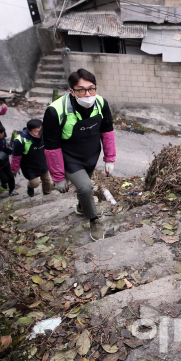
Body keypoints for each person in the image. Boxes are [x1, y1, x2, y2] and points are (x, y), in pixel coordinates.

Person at [43, 69, 116, 242]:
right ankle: (94, 220)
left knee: (84, 190)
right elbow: (51, 147)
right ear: (72, 91)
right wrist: (58, 176)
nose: (88, 94)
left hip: (91, 155)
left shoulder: (101, 103)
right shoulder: (55, 111)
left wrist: (109, 158)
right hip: (69, 157)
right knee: (85, 187)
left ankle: (81, 207)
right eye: (81, 90)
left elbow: (107, 131)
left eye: (91, 88)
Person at [11, 119, 52, 198]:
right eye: (36, 131)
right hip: (29, 167)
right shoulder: (20, 141)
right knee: (35, 183)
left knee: (46, 180)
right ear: (29, 131)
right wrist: (14, 169)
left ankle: (48, 196)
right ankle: (30, 187)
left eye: (40, 131)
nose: (39, 134)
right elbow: (16, 157)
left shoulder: (44, 135)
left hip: (42, 162)